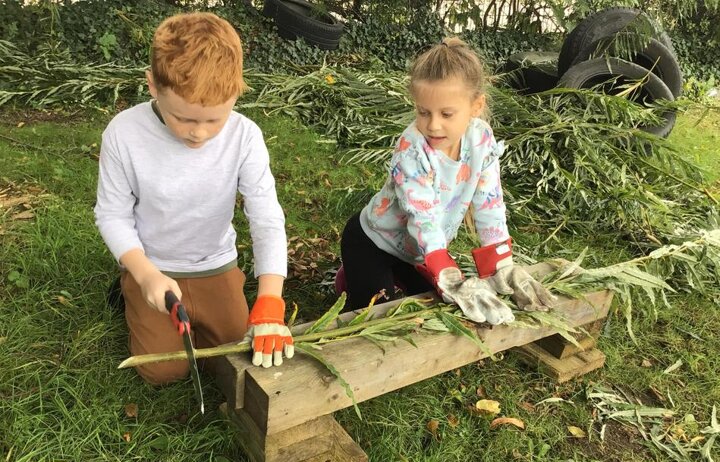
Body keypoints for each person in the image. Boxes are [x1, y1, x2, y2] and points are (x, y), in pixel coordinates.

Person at [94, 12, 293, 385]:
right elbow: (112, 215)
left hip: (214, 264)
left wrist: (270, 299)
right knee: (162, 372)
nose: (199, 133)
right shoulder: (123, 134)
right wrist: (145, 275)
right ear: (153, 86)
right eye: (183, 118)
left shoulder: (245, 137)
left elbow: (266, 217)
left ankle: (205, 306)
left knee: (236, 357)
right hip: (154, 265)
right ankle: (130, 289)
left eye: (215, 120)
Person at [339, 37, 556, 324]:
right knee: (375, 315)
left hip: (416, 254)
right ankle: (354, 278)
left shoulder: (481, 139)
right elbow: (423, 216)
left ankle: (379, 277)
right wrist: (445, 272)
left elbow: (489, 203)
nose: (433, 125)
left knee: (432, 307)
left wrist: (501, 263)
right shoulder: (412, 149)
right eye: (423, 112)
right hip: (374, 242)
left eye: (446, 114)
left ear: (476, 106)